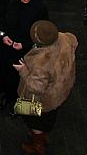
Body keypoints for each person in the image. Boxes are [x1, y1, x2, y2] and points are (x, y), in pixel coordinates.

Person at [14, 20, 77, 154]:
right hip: (59, 91)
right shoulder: (63, 38)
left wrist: (23, 70)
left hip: (43, 100)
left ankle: (38, 144)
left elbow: (35, 87)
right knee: (49, 117)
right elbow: (74, 41)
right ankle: (42, 136)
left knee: (36, 121)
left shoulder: (42, 62)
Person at [0, 0, 48, 114]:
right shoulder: (8, 0)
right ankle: (6, 96)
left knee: (20, 79)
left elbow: (42, 31)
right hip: (6, 47)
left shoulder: (39, 7)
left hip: (25, 51)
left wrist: (25, 44)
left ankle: (16, 100)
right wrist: (3, 35)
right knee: (5, 72)